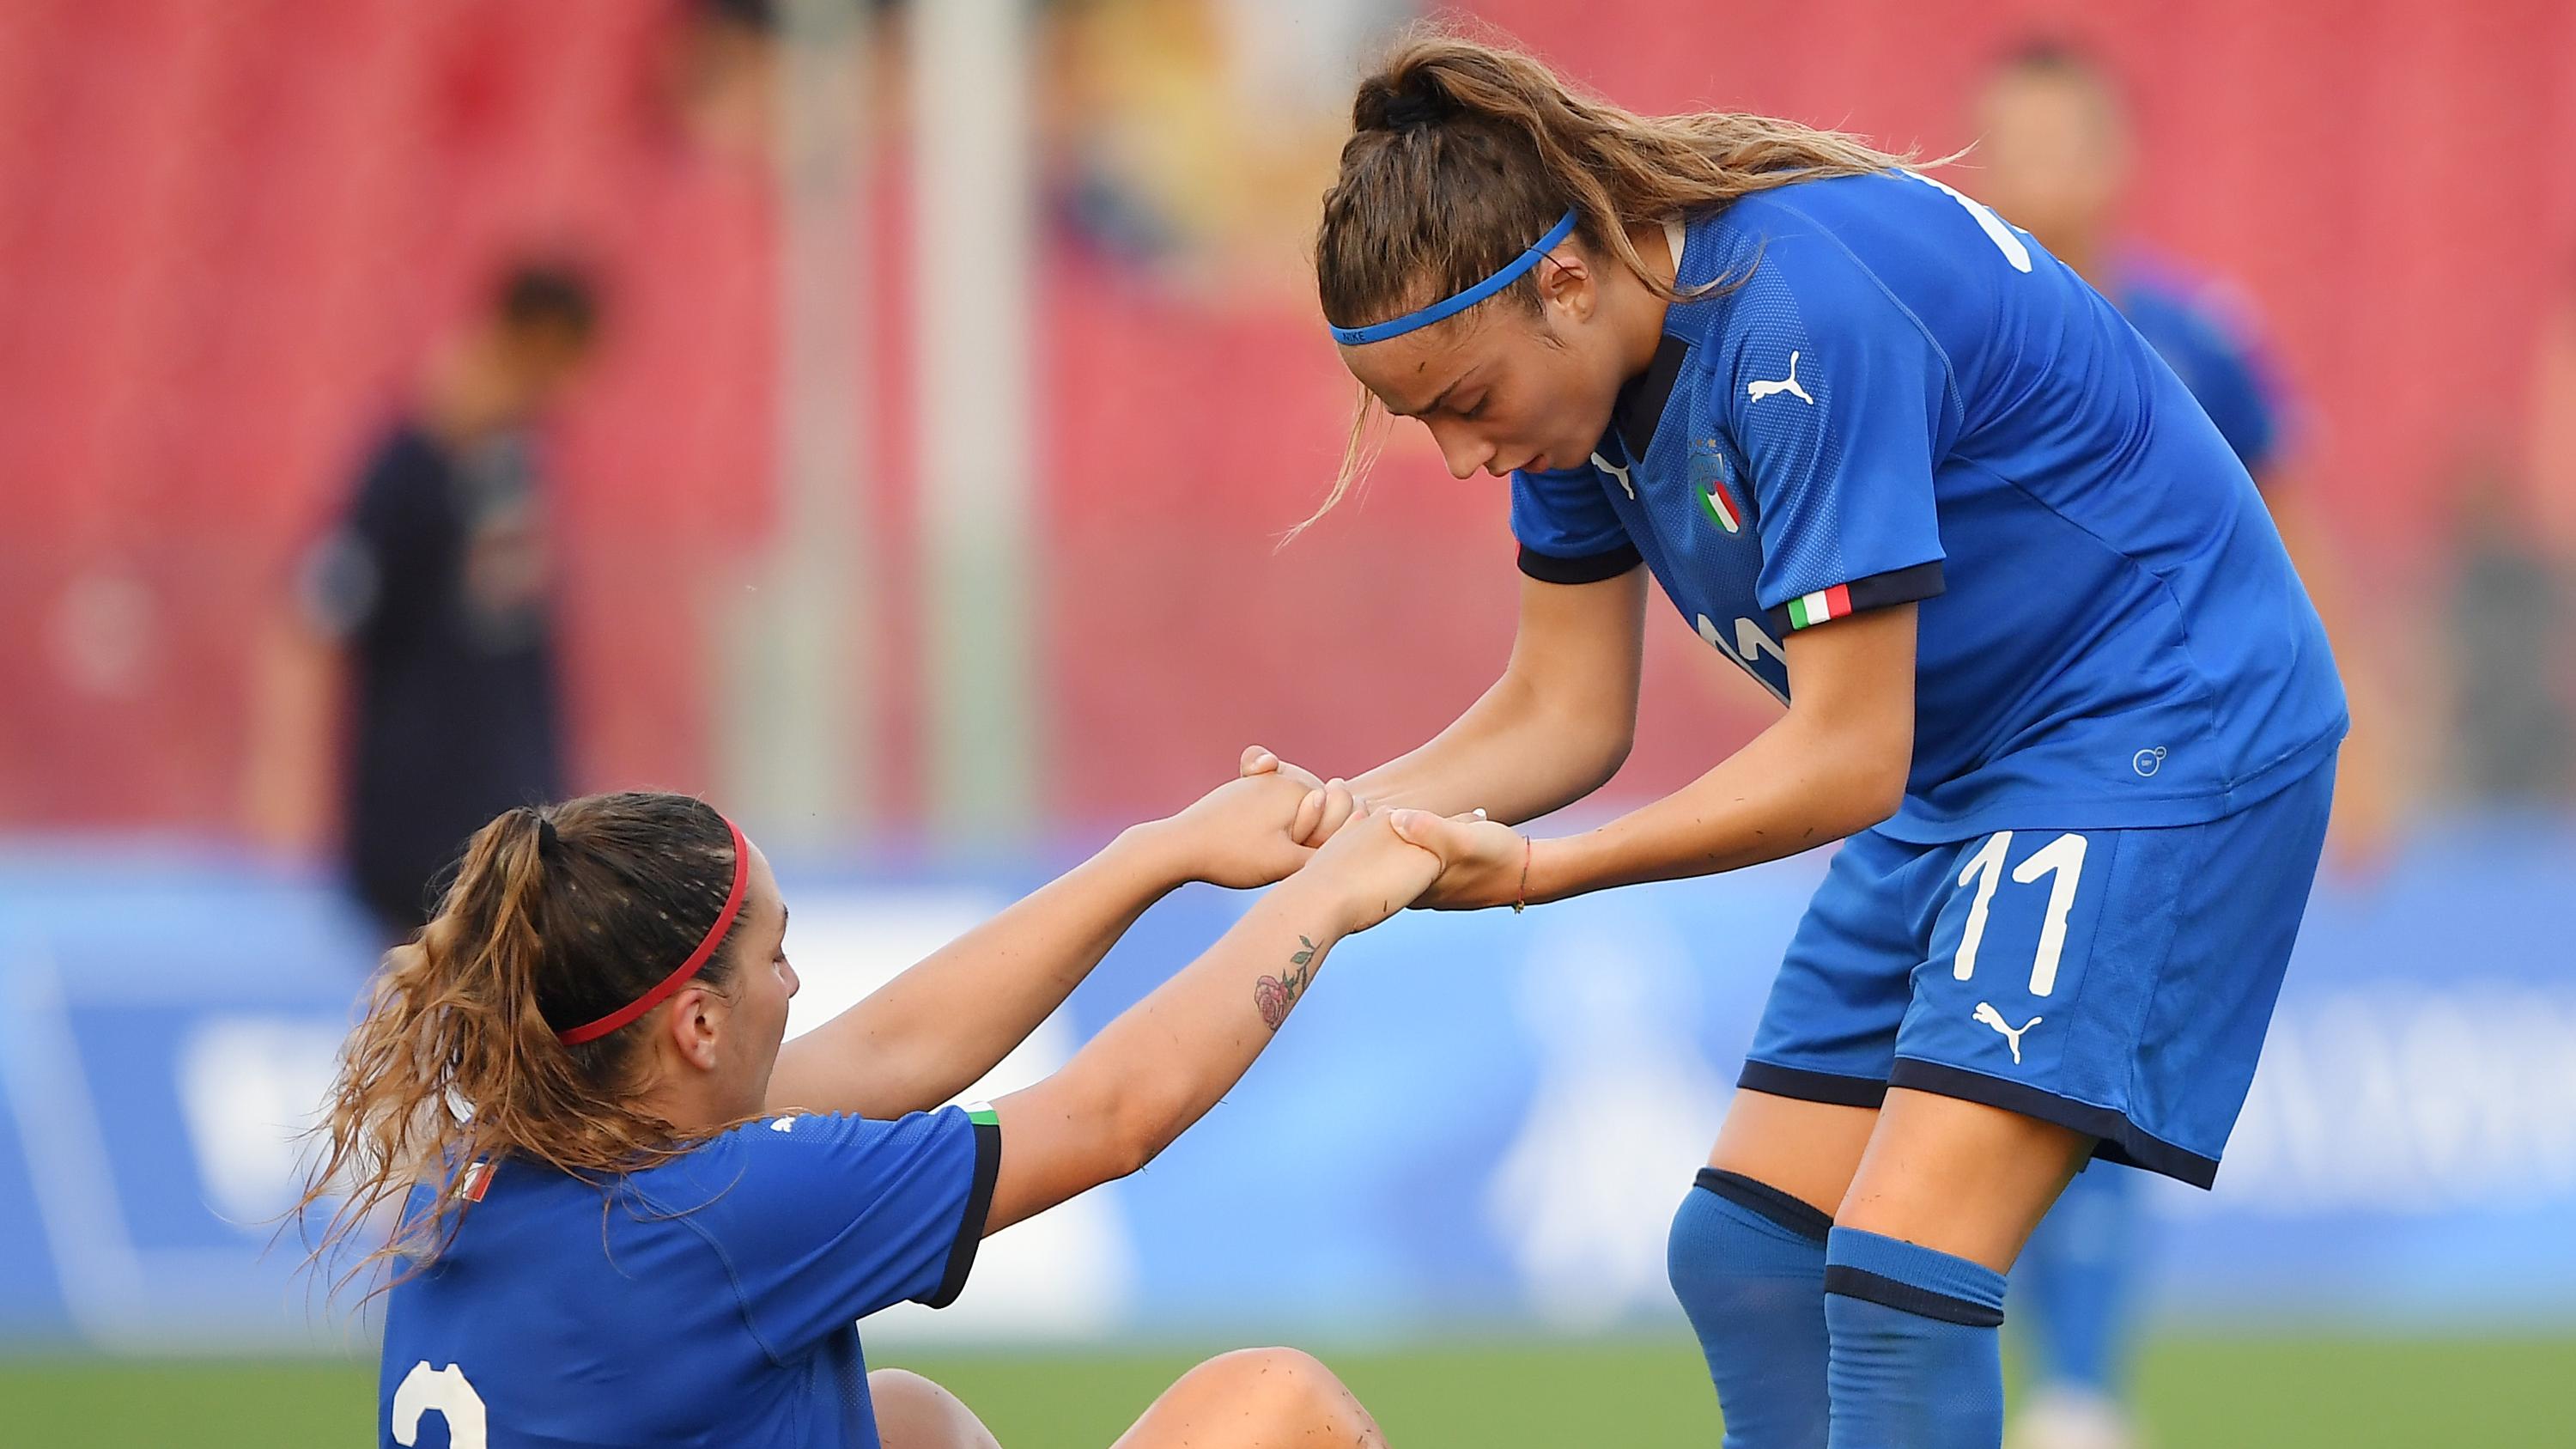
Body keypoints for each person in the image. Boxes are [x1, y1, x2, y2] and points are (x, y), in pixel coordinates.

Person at [1270, 33, 2348, 1448]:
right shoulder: (1577, 393)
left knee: (1901, 1278)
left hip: (2155, 734)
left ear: (1569, 279)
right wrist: (1337, 819)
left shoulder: (1798, 317)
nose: (1466, 458)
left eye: (1467, 404)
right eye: (1427, 424)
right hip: (1977, 763)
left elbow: (1845, 761)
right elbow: (1563, 712)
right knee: (1749, 1260)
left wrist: (1540, 874)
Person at [300, 754, 1442, 1448]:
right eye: (775, 957)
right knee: (1278, 1403)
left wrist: (1163, 850)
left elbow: (895, 1048)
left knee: (904, 1421)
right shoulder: (730, 1210)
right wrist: (1327, 896)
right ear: (696, 1024)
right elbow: (1114, 1112)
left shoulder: (504, 1160)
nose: (795, 990)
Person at [1968, 43, 2383, 1449]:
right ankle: (2047, 1392)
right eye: (2008, 143)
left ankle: (2081, 1397)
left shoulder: (2197, 336)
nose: (2036, 171)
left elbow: (2294, 532)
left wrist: (2357, 736)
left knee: (2081, 1066)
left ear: (2112, 157)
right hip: (1972, 775)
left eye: (2060, 140)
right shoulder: (1938, 336)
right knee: (1982, 1077)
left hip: (2163, 773)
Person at [247, 260, 601, 940]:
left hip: (514, 818)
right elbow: (319, 612)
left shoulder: (516, 460)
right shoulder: (409, 467)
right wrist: (283, 773)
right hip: (422, 826)